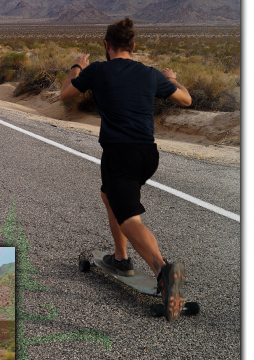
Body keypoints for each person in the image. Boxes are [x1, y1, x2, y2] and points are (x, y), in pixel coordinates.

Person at [60, 17, 193, 321]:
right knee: (110, 196)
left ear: (106, 46)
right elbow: (185, 99)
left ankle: (163, 271)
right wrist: (171, 79)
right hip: (148, 155)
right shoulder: (149, 74)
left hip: (119, 154)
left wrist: (77, 66)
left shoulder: (98, 70)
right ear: (133, 46)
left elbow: (66, 94)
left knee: (129, 217)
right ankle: (121, 258)